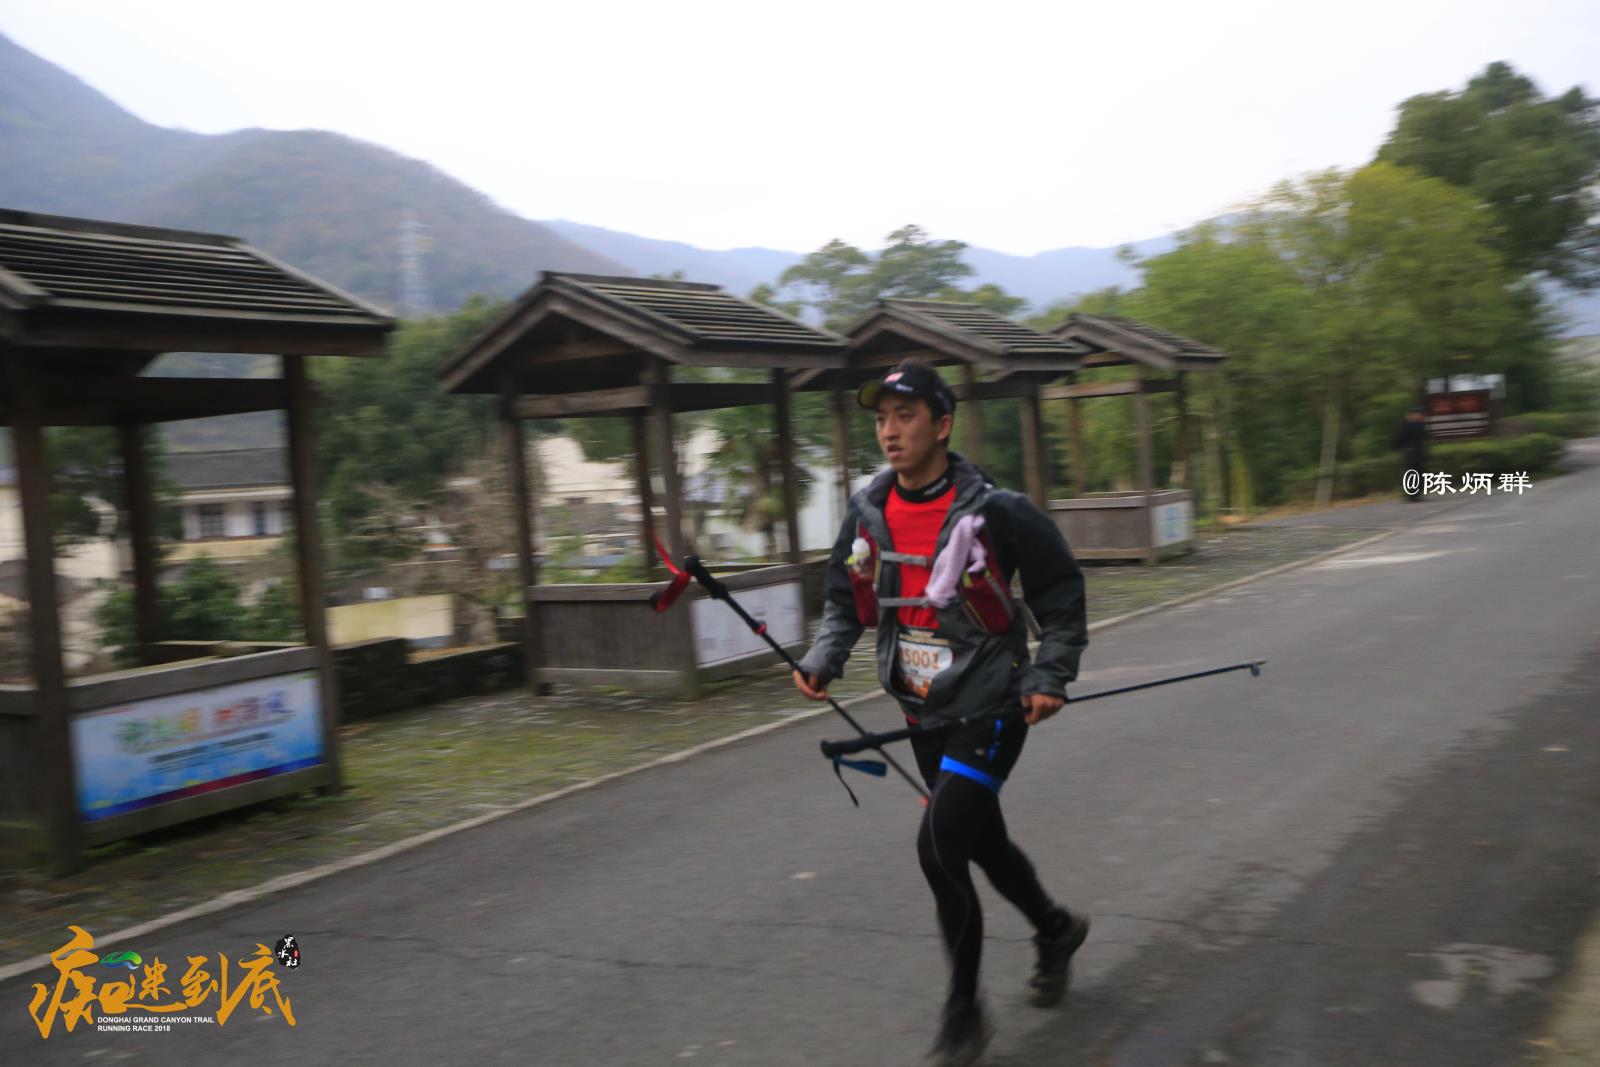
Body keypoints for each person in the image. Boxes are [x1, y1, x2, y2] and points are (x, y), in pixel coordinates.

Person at [792, 359, 1091, 1067]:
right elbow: (842, 597)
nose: (890, 431)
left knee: (939, 847)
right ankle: (1055, 928)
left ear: (943, 425)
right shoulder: (869, 510)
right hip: (919, 707)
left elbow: (1060, 594)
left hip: (991, 703)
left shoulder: (998, 511)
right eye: (881, 419)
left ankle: (963, 1013)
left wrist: (1049, 674)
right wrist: (824, 657)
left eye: (906, 416)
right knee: (980, 841)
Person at [1393, 406, 1429, 501]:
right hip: (1412, 453)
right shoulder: (1409, 425)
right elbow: (1400, 438)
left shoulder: (1415, 425)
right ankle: (1412, 495)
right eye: (1415, 414)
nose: (1417, 416)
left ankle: (1414, 494)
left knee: (1417, 474)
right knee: (1414, 474)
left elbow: (1425, 436)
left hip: (1415, 453)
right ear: (1410, 416)